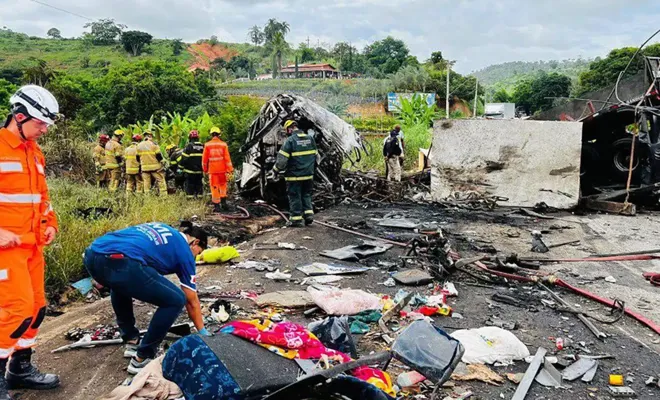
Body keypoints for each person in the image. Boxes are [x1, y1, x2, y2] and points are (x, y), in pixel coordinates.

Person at [83, 222, 212, 376]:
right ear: (195, 242)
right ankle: (142, 358)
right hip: (121, 261)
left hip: (93, 254)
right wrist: (203, 333)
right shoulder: (185, 252)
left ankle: (131, 341)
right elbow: (191, 301)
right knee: (176, 300)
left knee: (120, 284)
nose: (195, 257)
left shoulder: (164, 228)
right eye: (198, 252)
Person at [0, 85, 61, 400]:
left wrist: (51, 223)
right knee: (17, 310)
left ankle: (20, 369)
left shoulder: (34, 151)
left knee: (37, 308)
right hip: (5, 252)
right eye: (40, 123)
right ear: (19, 116)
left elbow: (41, 198)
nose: (45, 129)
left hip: (32, 246)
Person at [273, 120, 317, 227]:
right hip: (308, 175)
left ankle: (296, 219)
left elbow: (281, 161)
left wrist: (275, 170)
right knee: (306, 195)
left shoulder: (290, 141)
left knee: (295, 196)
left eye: (286, 130)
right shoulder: (310, 139)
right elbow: (316, 156)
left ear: (290, 129)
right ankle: (308, 215)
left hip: (294, 176)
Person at [202, 126, 233, 212]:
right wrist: (230, 170)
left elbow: (204, 160)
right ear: (219, 134)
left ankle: (217, 206)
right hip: (222, 170)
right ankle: (224, 203)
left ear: (211, 134)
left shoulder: (207, 145)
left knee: (214, 187)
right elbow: (227, 158)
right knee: (223, 186)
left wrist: (205, 169)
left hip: (213, 171)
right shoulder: (223, 144)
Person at [180, 130, 204, 199]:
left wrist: (180, 169)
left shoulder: (189, 146)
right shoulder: (202, 146)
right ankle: (200, 198)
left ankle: (190, 199)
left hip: (189, 171)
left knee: (190, 185)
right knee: (199, 184)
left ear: (190, 137)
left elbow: (184, 159)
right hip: (200, 171)